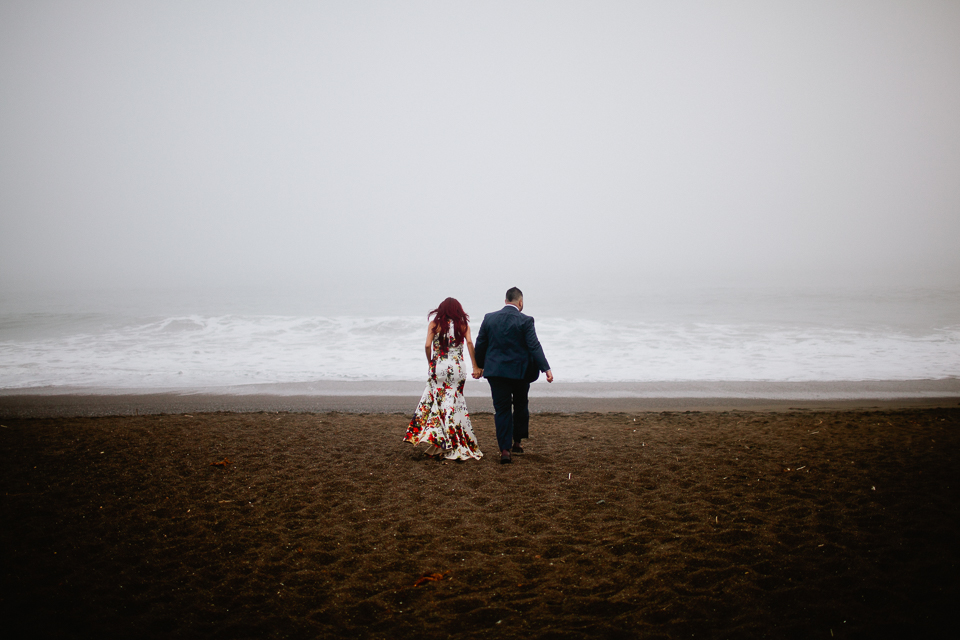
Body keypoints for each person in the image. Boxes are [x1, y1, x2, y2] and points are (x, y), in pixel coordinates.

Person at [473, 287, 553, 464]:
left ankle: (504, 450)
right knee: (520, 404)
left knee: (502, 409)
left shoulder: (489, 318)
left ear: (505, 301)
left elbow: (480, 344)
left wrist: (479, 366)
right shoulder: (525, 321)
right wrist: (545, 368)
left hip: (496, 372)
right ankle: (517, 442)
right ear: (520, 302)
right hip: (520, 372)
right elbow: (534, 346)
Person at [403, 297, 483, 461]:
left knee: (438, 404)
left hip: (439, 366)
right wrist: (475, 366)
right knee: (454, 403)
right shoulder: (463, 324)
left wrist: (430, 362)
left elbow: (427, 345)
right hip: (457, 367)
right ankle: (446, 442)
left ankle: (441, 443)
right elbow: (469, 343)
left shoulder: (434, 324)